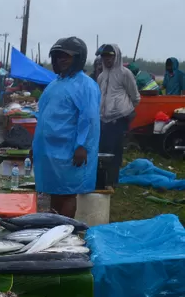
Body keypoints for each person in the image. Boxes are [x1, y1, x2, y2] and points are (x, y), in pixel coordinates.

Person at [31, 37, 100, 218]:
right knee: (54, 191)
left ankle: (66, 232)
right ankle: (54, 228)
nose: (60, 61)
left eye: (66, 57)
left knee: (68, 193)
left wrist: (82, 146)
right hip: (49, 150)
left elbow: (90, 118)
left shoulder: (86, 85)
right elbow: (43, 117)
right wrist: (36, 146)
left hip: (69, 149)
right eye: (57, 57)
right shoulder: (54, 84)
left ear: (78, 59)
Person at [97, 44, 140, 185]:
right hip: (103, 119)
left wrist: (124, 110)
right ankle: (103, 180)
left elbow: (135, 96)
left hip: (119, 119)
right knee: (103, 149)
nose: (107, 59)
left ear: (117, 56)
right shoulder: (101, 76)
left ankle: (111, 181)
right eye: (105, 56)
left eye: (110, 55)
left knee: (114, 151)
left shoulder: (125, 73)